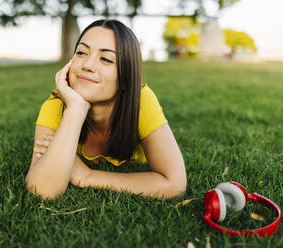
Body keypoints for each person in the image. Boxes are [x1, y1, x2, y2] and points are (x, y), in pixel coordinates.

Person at [25, 19, 187, 200]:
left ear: (126, 77)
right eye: (81, 52)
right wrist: (75, 110)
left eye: (106, 59)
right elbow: (42, 190)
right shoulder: (56, 104)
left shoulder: (141, 101)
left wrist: (87, 176)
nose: (88, 65)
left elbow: (174, 184)